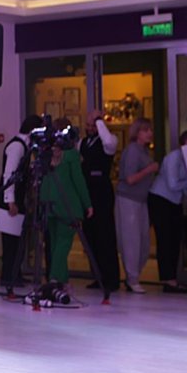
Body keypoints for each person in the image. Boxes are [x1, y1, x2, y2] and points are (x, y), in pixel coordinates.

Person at [148, 130, 187, 293]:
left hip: (174, 201)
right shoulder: (174, 157)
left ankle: (171, 279)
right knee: (166, 240)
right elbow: (173, 184)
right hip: (161, 200)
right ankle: (168, 280)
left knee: (174, 239)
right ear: (182, 146)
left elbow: (184, 187)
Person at [39, 124, 92, 289]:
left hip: (49, 204)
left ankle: (62, 280)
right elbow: (78, 181)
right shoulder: (72, 156)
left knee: (55, 244)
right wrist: (87, 204)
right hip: (67, 205)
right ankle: (55, 279)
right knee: (63, 244)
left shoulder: (46, 156)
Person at [0, 114, 43, 287]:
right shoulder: (17, 146)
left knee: (17, 238)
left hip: (16, 196)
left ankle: (15, 273)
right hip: (10, 197)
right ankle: (9, 275)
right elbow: (9, 174)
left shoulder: (25, 146)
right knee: (11, 240)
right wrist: (11, 201)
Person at [79, 110, 121, 291]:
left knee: (105, 235)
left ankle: (111, 278)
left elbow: (108, 142)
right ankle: (97, 276)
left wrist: (99, 121)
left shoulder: (109, 141)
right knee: (90, 235)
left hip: (102, 191)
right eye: (88, 125)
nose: (90, 128)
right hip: (87, 191)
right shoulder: (83, 143)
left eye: (93, 125)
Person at [116, 118, 157, 293]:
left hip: (141, 199)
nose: (149, 133)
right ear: (137, 132)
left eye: (150, 130)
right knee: (132, 240)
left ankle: (133, 276)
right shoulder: (133, 150)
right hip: (129, 199)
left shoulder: (144, 151)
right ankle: (132, 278)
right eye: (145, 130)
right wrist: (149, 170)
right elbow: (130, 178)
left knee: (143, 242)